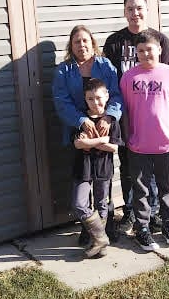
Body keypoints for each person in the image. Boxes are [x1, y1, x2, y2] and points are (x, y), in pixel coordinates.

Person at [103, 0, 169, 233]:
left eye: (139, 8)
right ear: (125, 12)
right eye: (130, 9)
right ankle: (131, 212)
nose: (135, 13)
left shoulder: (160, 41)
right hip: (125, 118)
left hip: (152, 119)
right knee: (127, 165)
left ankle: (153, 213)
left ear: (147, 10)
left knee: (153, 169)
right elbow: (110, 83)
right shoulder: (114, 43)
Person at [120, 30, 169, 251]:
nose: (145, 54)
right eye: (140, 51)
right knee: (140, 189)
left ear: (159, 49)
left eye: (149, 49)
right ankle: (142, 229)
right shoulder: (129, 77)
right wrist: (126, 137)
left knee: (165, 187)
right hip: (138, 145)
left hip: (165, 144)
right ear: (135, 53)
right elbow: (123, 111)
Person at [52, 25, 123, 242]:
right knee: (83, 177)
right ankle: (90, 228)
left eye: (85, 41)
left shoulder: (105, 65)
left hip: (103, 126)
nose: (81, 45)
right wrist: (81, 120)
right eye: (76, 42)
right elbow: (61, 101)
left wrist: (109, 117)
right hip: (78, 130)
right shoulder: (64, 70)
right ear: (70, 46)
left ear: (92, 43)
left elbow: (117, 95)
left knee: (103, 181)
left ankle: (106, 225)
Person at [72, 78, 123, 257]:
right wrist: (101, 140)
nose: (95, 102)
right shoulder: (81, 119)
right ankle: (101, 237)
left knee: (102, 203)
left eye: (99, 98)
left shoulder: (111, 121)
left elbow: (114, 147)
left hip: (103, 168)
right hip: (83, 168)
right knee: (80, 204)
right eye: (90, 99)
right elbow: (78, 144)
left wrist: (90, 143)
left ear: (107, 96)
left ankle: (99, 244)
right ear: (85, 99)